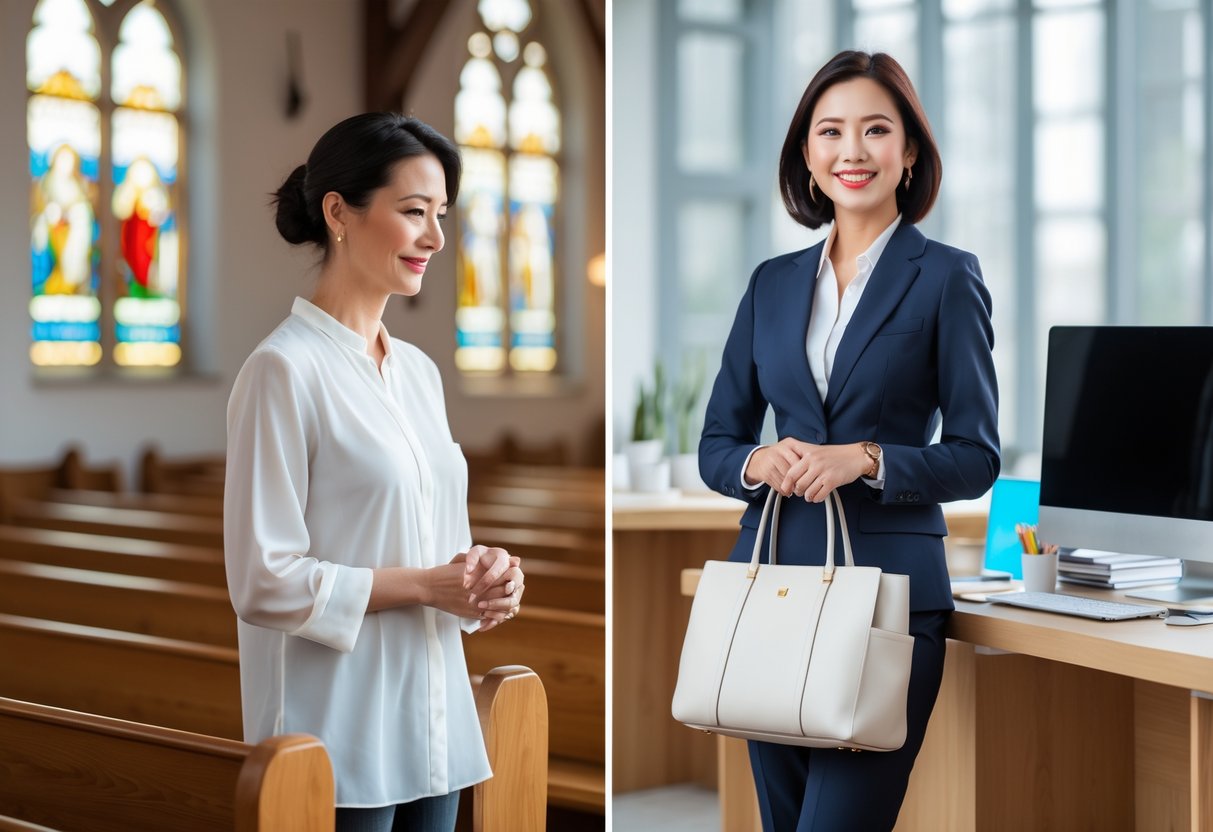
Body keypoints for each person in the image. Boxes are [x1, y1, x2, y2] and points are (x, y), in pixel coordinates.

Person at [698, 51, 1000, 831]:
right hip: (770, 590)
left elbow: (976, 454)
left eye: (875, 130)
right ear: (807, 154)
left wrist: (866, 459)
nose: (851, 151)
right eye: (830, 132)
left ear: (908, 153)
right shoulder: (770, 282)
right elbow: (717, 444)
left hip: (887, 601)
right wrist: (761, 460)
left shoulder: (944, 278)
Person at [223, 113, 526, 832]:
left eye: (441, 214)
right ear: (338, 213)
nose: (435, 238)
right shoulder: (281, 370)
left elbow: (438, 545)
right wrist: (426, 585)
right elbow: (263, 580)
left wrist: (483, 580)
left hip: (435, 724)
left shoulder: (418, 373)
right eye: (413, 212)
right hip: (336, 728)